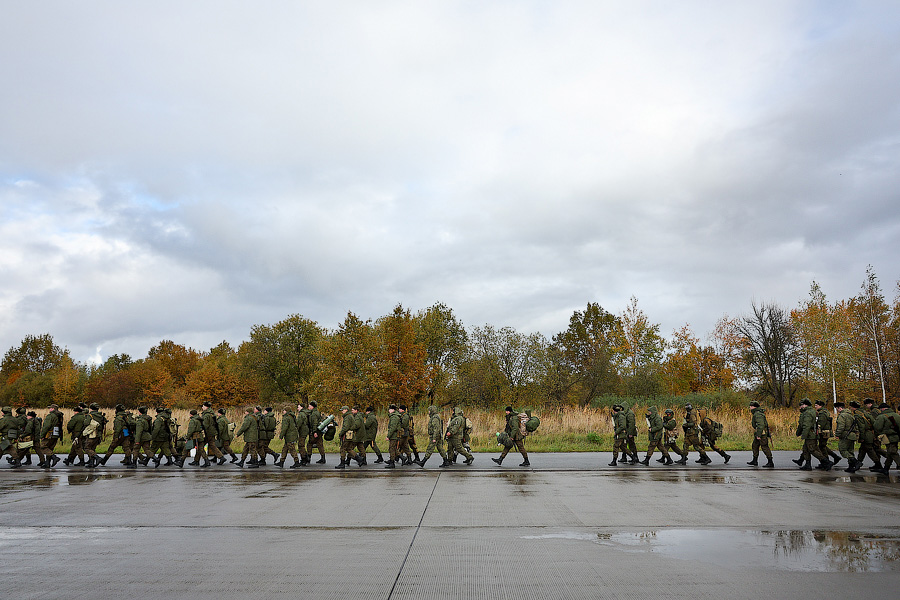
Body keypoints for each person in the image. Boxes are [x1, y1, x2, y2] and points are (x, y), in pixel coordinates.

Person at [795, 398, 831, 471]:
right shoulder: (810, 411)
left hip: (810, 434)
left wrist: (804, 435)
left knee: (813, 450)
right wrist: (799, 433)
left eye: (801, 405)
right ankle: (808, 465)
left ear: (805, 405)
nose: (800, 407)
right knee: (806, 449)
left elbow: (806, 425)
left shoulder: (808, 413)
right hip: (811, 433)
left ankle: (827, 462)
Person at [856, 398, 886, 471]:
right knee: (870, 449)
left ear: (870, 404)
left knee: (876, 449)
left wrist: (874, 435)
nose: (866, 406)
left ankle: (891, 458)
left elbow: (874, 423)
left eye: (866, 405)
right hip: (877, 432)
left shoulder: (874, 412)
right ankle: (877, 464)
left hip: (875, 433)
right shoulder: (877, 410)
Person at [872, 403, 900, 476]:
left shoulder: (881, 417)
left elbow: (877, 427)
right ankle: (886, 468)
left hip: (887, 437)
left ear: (883, 409)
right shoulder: (897, 415)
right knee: (890, 452)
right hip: (897, 436)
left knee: (892, 452)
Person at [833, 402, 859, 473]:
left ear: (840, 408)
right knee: (850, 451)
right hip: (852, 435)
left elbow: (841, 426)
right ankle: (851, 467)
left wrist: (837, 434)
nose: (837, 410)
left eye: (837, 409)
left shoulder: (842, 415)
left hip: (845, 435)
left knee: (843, 450)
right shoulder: (851, 415)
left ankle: (855, 462)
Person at [746, 401, 774, 468]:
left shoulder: (758, 414)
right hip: (758, 433)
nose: (750, 408)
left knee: (764, 447)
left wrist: (759, 435)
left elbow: (761, 425)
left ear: (753, 407)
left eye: (751, 406)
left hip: (761, 434)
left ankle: (770, 462)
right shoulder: (756, 413)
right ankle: (754, 460)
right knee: (755, 446)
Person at [82, 403, 108, 468]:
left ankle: (97, 458)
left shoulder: (90, 415)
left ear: (91, 409)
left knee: (87, 448)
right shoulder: (101, 415)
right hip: (99, 434)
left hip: (92, 434)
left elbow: (86, 423)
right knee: (92, 448)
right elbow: (105, 421)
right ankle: (91, 463)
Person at [40, 404, 63, 468]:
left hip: (49, 434)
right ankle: (47, 463)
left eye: (50, 408)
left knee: (43, 446)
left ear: (53, 409)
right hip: (56, 434)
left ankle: (54, 457)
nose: (49, 409)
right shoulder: (59, 416)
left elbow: (46, 426)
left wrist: (42, 435)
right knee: (50, 448)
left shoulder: (50, 416)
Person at [385, 404, 401, 469]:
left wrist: (388, 436)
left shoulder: (394, 417)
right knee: (393, 448)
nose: (389, 410)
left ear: (393, 410)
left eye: (390, 409)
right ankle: (401, 458)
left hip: (393, 436)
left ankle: (392, 463)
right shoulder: (395, 416)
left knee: (391, 448)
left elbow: (393, 428)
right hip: (394, 435)